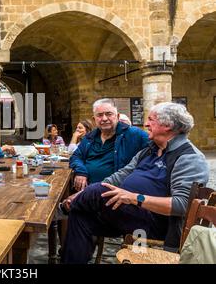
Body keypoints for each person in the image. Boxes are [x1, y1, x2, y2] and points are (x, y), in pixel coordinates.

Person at [61, 102, 209, 263]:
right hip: (127, 214)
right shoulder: (150, 150)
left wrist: (133, 198)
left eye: (151, 119)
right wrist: (84, 194)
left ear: (167, 125)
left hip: (157, 225)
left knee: (97, 191)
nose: (146, 124)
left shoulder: (189, 157)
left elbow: (182, 205)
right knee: (80, 215)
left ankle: (60, 209)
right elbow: (119, 176)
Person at [69, 98, 149, 192]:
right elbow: (75, 156)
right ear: (94, 119)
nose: (104, 118)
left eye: (109, 114)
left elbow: (157, 147)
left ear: (117, 116)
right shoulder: (89, 138)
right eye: (99, 115)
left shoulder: (133, 134)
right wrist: (81, 171)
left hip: (117, 192)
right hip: (86, 190)